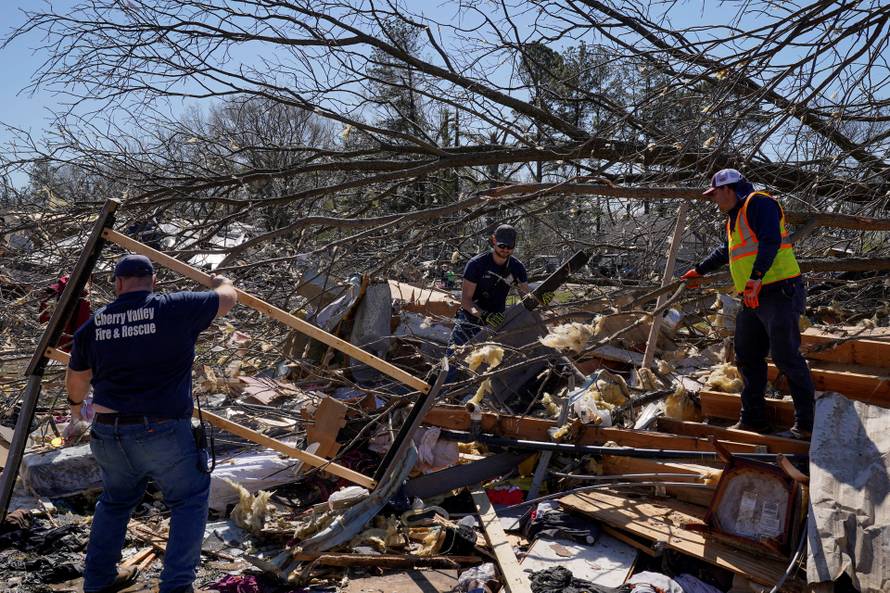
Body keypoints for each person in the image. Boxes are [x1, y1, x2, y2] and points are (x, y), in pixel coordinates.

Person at [65, 254, 238, 593]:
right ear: (154, 281)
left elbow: (77, 379)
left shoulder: (95, 324)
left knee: (114, 502)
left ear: (117, 284)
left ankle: (97, 582)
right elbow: (230, 298)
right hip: (162, 430)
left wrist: (74, 410)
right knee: (188, 500)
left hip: (109, 432)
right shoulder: (175, 308)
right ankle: (175, 586)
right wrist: (220, 282)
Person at [681, 169, 814, 439]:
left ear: (728, 190)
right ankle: (753, 419)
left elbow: (770, 241)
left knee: (786, 356)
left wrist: (755, 277)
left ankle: (807, 425)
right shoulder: (736, 218)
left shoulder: (759, 203)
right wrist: (699, 270)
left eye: (715, 194)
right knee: (747, 356)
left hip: (779, 291)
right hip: (754, 296)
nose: (714, 201)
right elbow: (726, 252)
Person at [446, 224, 529, 381]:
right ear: (493, 241)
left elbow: (526, 297)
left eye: (509, 246)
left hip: (497, 321)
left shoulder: (517, 267)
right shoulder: (477, 264)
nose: (505, 249)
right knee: (453, 358)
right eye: (502, 245)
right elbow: (465, 300)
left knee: (494, 364)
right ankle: (443, 392)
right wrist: (483, 316)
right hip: (470, 318)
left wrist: (541, 298)